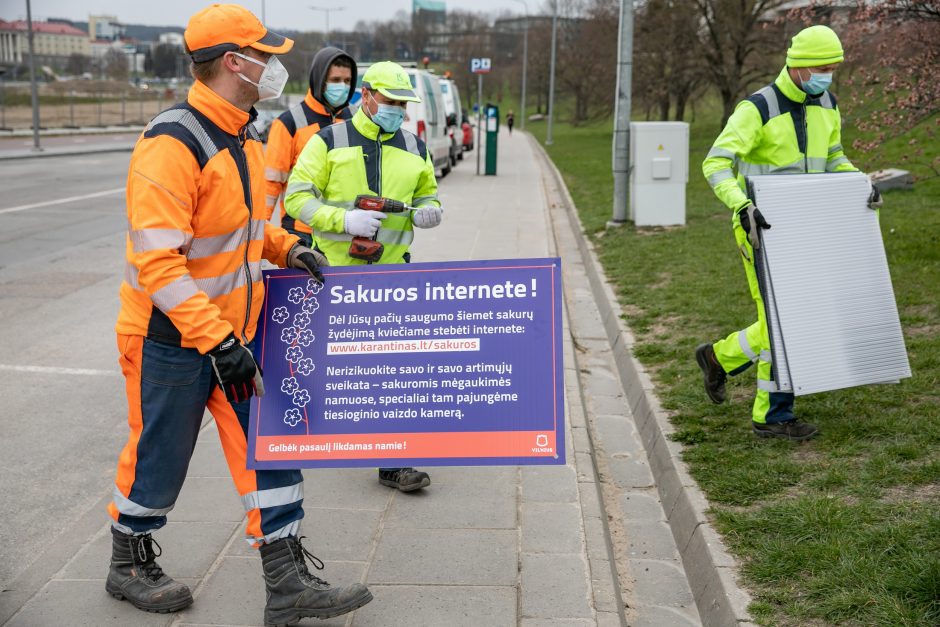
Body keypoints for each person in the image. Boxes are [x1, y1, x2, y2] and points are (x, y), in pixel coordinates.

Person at [107, 5, 372, 624]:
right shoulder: (170, 144)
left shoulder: (245, 133)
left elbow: (246, 229)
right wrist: (219, 341)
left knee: (271, 444)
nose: (275, 66)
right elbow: (160, 265)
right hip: (169, 338)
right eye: (266, 55)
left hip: (236, 333)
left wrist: (289, 246)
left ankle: (286, 579)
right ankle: (128, 561)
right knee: (159, 457)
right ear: (235, 62)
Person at [697, 24, 881, 441]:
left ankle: (718, 357)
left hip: (807, 226)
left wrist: (859, 182)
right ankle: (772, 416)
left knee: (792, 318)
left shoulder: (828, 102)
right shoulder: (757, 108)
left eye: (833, 68)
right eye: (822, 68)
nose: (828, 76)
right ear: (798, 67)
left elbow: (833, 156)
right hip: (759, 228)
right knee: (783, 322)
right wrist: (741, 203)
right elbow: (715, 163)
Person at [284, 60, 443, 492]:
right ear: (367, 95)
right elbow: (296, 199)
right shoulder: (327, 142)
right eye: (390, 101)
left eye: (402, 104)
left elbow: (428, 193)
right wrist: (343, 220)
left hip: (391, 278)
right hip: (334, 278)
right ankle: (302, 442)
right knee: (331, 370)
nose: (397, 110)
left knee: (393, 370)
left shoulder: (414, 146)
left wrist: (431, 211)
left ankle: (393, 461)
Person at [264, 47, 356, 246]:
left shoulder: (356, 121)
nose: (343, 86)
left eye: (348, 81)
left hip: (345, 230)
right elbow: (270, 184)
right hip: (301, 232)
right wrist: (258, 234)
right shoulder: (288, 123)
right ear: (319, 79)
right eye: (336, 80)